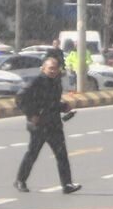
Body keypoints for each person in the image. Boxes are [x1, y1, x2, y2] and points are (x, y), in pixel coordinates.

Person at [13, 57, 81, 194]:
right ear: (43, 68)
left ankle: (67, 184)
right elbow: (20, 98)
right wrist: (31, 114)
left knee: (62, 155)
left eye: (55, 68)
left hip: (54, 124)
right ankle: (20, 180)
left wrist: (64, 107)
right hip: (39, 126)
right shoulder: (36, 82)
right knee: (32, 154)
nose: (53, 71)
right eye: (50, 68)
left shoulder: (56, 82)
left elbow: (52, 102)